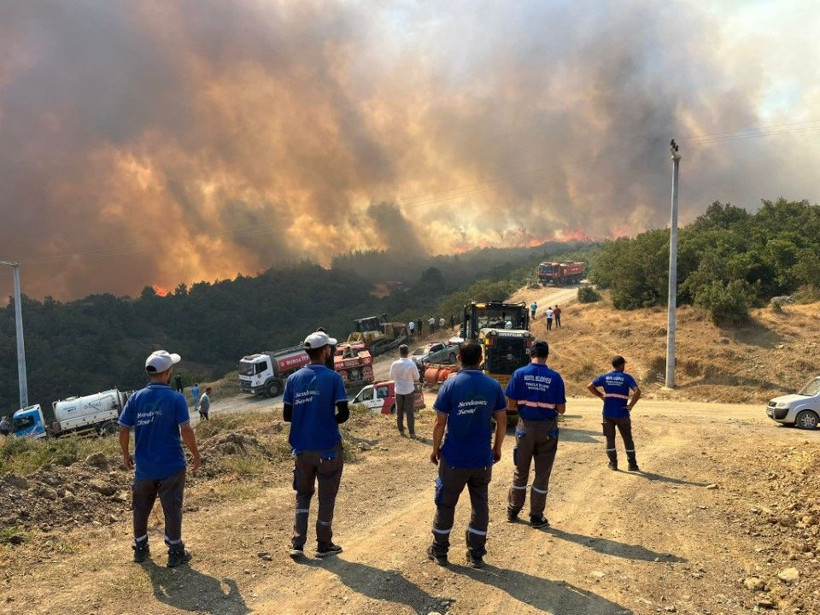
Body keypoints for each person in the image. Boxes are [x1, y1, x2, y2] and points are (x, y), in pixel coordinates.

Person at [118, 350, 201, 567]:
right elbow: (186, 429)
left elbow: (123, 429)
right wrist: (196, 454)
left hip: (144, 467)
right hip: (171, 465)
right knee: (172, 508)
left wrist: (126, 454)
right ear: (168, 373)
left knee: (141, 508)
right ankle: (175, 551)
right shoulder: (175, 398)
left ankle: (140, 549)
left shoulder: (135, 398)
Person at [428, 342, 507, 569]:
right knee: (480, 504)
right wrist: (497, 448)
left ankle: (440, 551)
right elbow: (501, 420)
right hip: (482, 459)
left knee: (446, 503)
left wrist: (435, 449)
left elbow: (439, 422)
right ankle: (476, 554)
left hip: (454, 458)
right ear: (481, 359)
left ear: (459, 358)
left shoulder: (450, 385)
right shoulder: (492, 385)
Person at [283, 331, 349, 559]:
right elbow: (343, 414)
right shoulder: (333, 378)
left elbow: (287, 415)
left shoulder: (293, 379)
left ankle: (297, 544)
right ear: (325, 351)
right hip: (328, 448)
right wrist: (325, 416)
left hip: (302, 449)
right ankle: (323, 544)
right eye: (329, 348)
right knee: (326, 496)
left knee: (303, 495)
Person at [505, 340, 566, 528]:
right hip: (547, 429)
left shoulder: (519, 374)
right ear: (547, 355)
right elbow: (562, 409)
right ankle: (536, 516)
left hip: (525, 427)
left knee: (521, 470)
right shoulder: (555, 378)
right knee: (542, 474)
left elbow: (511, 405)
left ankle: (513, 510)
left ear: (531, 354)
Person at [587, 356, 642, 471]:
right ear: (622, 365)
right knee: (627, 439)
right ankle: (632, 464)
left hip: (607, 413)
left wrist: (601, 396)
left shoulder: (605, 377)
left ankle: (613, 464)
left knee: (610, 439)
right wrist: (631, 405)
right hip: (622, 413)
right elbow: (637, 391)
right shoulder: (627, 377)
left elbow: (590, 386)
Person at [389, 344, 420, 437]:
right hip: (409, 390)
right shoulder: (411, 364)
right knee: (410, 412)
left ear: (400, 353)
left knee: (399, 412)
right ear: (407, 352)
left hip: (398, 390)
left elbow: (391, 377)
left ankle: (401, 432)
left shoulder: (394, 364)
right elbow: (417, 377)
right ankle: (412, 433)